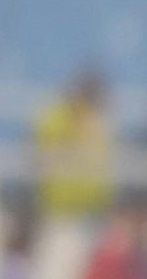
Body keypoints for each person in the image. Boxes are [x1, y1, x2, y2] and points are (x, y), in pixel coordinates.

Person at [33, 70, 114, 219]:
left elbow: (103, 165)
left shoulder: (99, 122)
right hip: (58, 207)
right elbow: (44, 158)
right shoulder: (54, 119)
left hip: (94, 207)